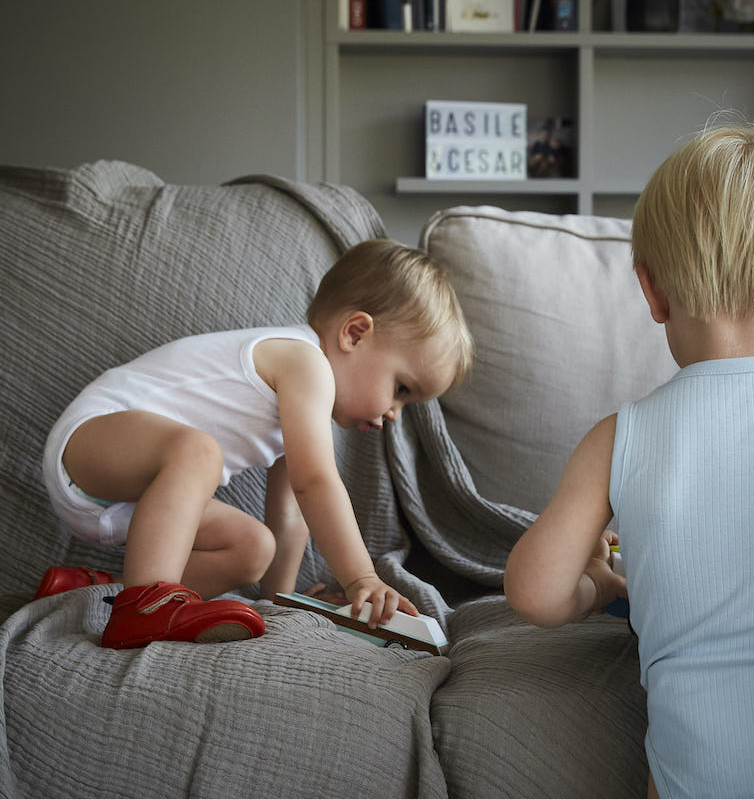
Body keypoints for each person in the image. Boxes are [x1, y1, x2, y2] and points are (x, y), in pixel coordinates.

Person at [504, 124, 754, 798]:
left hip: (704, 772)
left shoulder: (620, 437)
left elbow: (536, 590)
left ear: (652, 292)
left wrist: (605, 585)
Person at [37, 239, 474, 650]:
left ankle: (101, 592)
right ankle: (145, 608)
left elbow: (292, 511)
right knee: (198, 451)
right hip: (91, 442)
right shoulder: (304, 362)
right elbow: (316, 483)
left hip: (143, 499)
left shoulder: (301, 407)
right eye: (401, 388)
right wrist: (362, 577)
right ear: (355, 333)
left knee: (253, 548)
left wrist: (283, 599)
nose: (395, 413)